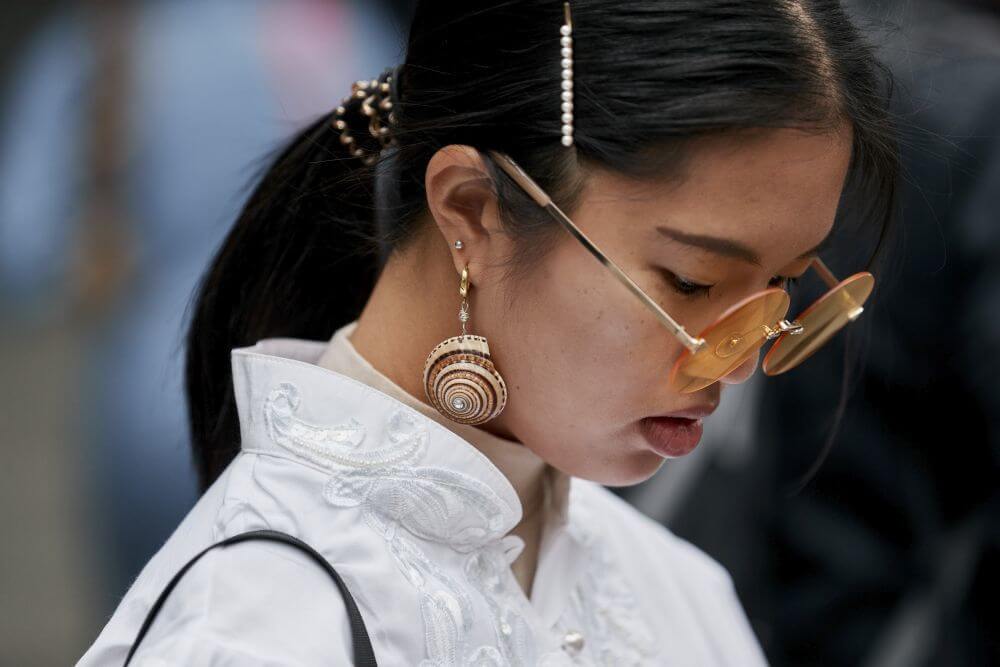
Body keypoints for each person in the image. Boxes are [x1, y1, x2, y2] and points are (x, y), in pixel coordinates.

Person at [77, 1, 899, 664]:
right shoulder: (255, 626)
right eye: (691, 282)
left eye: (784, 286)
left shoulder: (674, 588)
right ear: (472, 209)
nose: (740, 362)